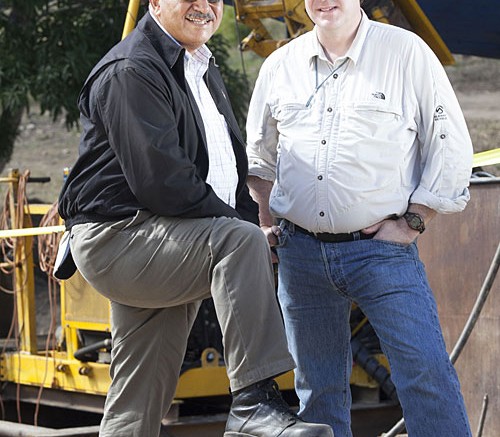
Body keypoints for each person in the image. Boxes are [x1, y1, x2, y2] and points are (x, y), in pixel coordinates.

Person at [55, 0, 336, 436]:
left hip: (167, 233)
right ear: (156, 4)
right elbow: (163, 182)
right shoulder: (132, 70)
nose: (204, 6)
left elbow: (225, 165)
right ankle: (253, 404)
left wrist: (248, 220)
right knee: (238, 242)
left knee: (139, 393)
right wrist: (244, 232)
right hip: (123, 235)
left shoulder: (199, 65)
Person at [245, 0, 474, 436]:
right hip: (301, 257)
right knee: (316, 389)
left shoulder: (407, 54)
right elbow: (259, 157)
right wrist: (265, 219)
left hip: (382, 254)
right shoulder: (280, 66)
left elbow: (449, 144)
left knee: (426, 378)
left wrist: (414, 220)